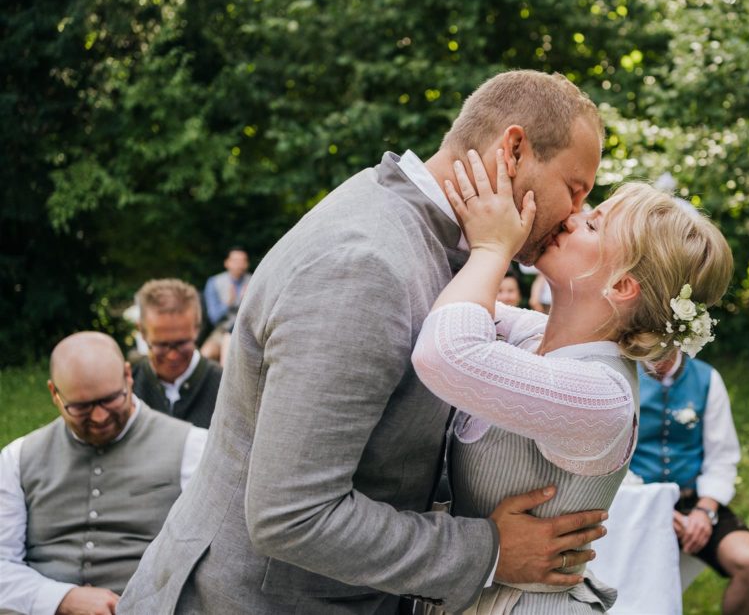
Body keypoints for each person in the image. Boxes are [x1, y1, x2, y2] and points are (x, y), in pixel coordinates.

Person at [119, 70, 615, 615]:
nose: (575, 215)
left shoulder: (422, 231)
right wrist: (489, 551)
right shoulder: (365, 266)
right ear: (514, 148)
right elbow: (293, 514)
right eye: (574, 190)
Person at [411, 150, 734, 613]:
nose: (571, 218)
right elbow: (442, 303)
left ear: (622, 285)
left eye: (593, 225)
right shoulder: (535, 336)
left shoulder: (602, 396)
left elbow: (444, 352)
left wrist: (493, 249)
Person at [0, 332, 206, 615]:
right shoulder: (17, 458)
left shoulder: (193, 447)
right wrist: (62, 599)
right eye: (81, 407)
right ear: (54, 394)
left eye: (110, 400)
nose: (99, 418)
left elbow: (215, 561)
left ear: (127, 376)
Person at [631, 349, 749, 615]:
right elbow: (612, 460)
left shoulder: (707, 378)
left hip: (693, 500)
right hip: (635, 501)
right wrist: (652, 507)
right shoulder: (621, 374)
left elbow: (722, 457)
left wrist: (705, 511)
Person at [131, 278, 223, 429]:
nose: (172, 355)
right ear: (142, 331)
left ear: (197, 328)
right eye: (161, 345)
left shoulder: (224, 386)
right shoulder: (128, 387)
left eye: (182, 343)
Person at [200, 246, 251, 364]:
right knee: (204, 356)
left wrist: (247, 302)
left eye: (243, 261)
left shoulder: (253, 280)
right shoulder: (214, 282)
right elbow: (213, 318)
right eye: (235, 261)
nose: (240, 265)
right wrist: (227, 304)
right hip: (221, 330)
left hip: (246, 331)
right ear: (227, 263)